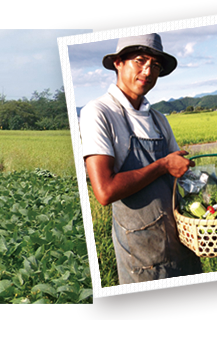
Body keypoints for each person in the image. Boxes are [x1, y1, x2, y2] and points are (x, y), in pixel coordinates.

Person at [80, 33, 202, 284]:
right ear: (118, 63)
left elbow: (179, 178)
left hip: (183, 246)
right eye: (140, 60)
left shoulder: (158, 119)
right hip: (141, 257)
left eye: (155, 65)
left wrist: (203, 184)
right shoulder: (100, 113)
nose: (148, 71)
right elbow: (104, 191)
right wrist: (163, 165)